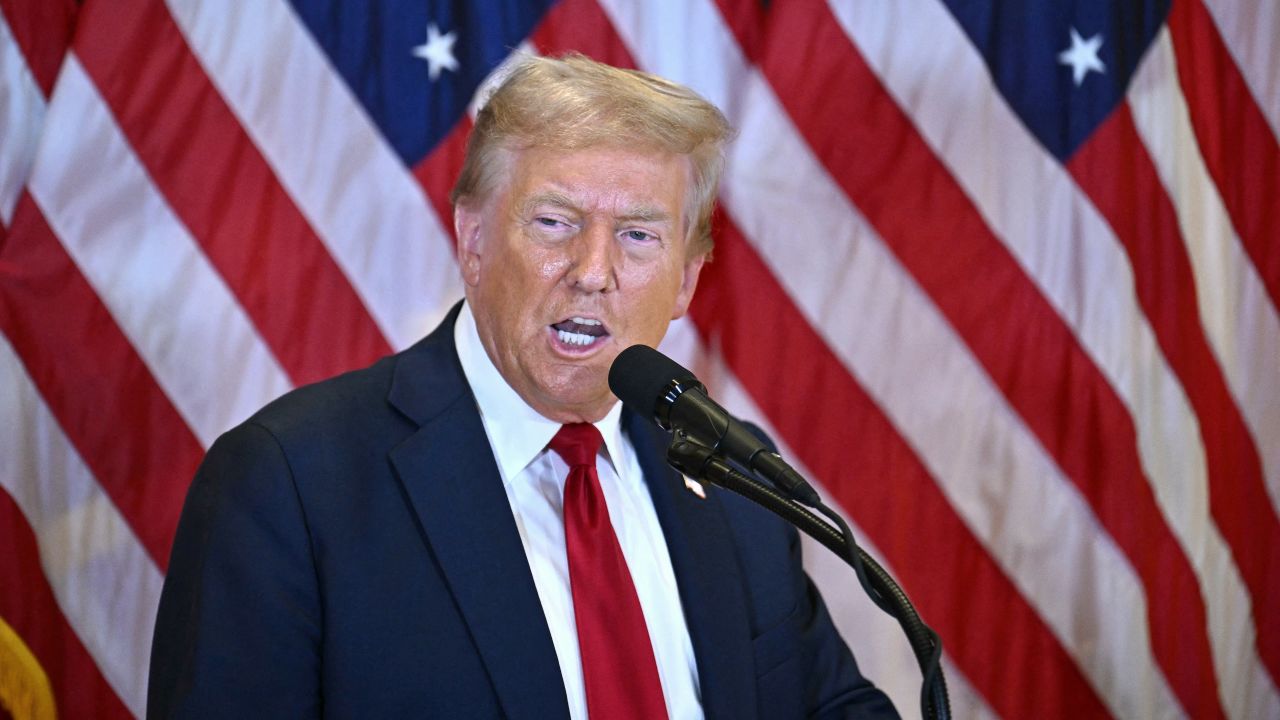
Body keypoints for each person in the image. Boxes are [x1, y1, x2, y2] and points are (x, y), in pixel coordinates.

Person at [148, 53, 898, 720]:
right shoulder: (292, 485)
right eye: (553, 222)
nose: (594, 270)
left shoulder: (730, 476)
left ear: (686, 281)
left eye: (639, 235)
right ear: (472, 239)